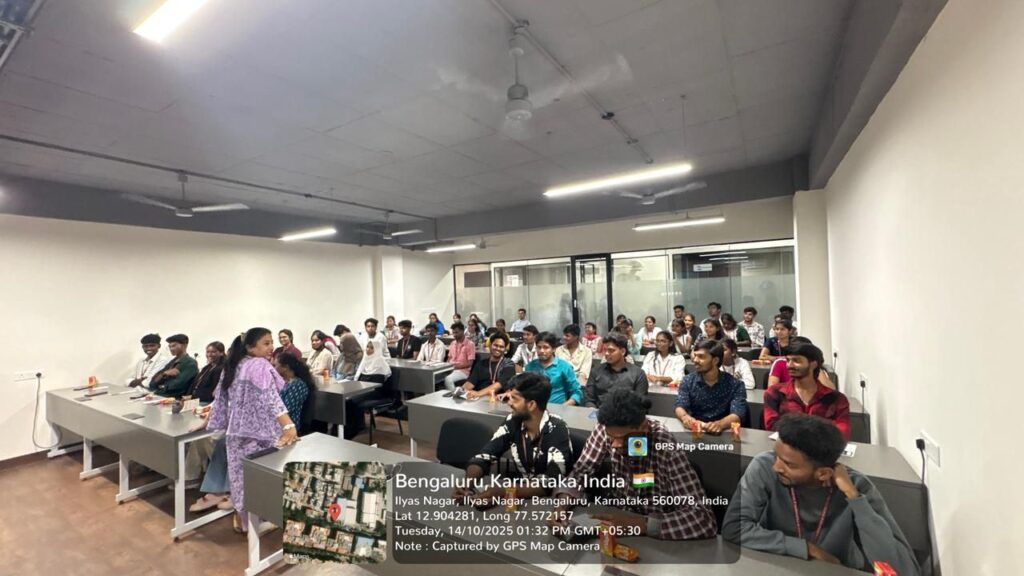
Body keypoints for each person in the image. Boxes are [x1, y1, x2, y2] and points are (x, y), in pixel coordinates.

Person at [722, 414, 919, 575]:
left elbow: (902, 569)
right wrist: (807, 549)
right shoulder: (764, 466)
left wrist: (854, 497)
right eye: (776, 455)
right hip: (775, 563)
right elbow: (734, 528)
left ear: (823, 473)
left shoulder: (857, 486)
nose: (776, 467)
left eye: (789, 464)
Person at [551, 389, 717, 540]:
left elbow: (704, 519)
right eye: (611, 438)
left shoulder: (664, 445)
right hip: (614, 520)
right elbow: (580, 473)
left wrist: (638, 524)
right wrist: (561, 507)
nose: (614, 445)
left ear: (643, 428)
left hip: (653, 533)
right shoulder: (606, 429)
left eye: (622, 438)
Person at [207, 328, 299, 532]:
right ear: (250, 347)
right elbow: (270, 397)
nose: (271, 347)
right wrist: (288, 426)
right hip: (261, 433)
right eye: (266, 343)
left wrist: (215, 423)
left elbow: (220, 399)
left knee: (240, 479)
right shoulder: (258, 365)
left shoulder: (233, 366)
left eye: (271, 342)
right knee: (265, 477)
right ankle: (262, 519)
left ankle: (243, 520)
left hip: (236, 433)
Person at [455, 373, 574, 507]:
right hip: (521, 498)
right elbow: (485, 456)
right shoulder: (513, 421)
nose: (509, 403)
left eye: (515, 399)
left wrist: (503, 492)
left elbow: (551, 481)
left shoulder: (557, 428)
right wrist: (467, 485)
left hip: (552, 504)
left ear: (531, 404)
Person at [764, 342, 850, 438]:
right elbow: (772, 427)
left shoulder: (837, 399)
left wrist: (792, 427)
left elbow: (842, 432)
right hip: (787, 445)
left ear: (813, 364)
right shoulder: (774, 393)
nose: (789, 365)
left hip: (822, 446)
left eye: (796, 361)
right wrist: (822, 428)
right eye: (788, 360)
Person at [675, 340, 747, 433]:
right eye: (695, 355)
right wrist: (685, 418)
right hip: (696, 431)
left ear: (715, 360)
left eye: (701, 357)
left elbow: (738, 413)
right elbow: (680, 405)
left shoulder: (735, 384)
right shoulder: (688, 381)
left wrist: (720, 424)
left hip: (724, 433)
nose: (695, 360)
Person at [585, 332, 647, 408]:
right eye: (605, 350)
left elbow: (640, 404)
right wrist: (593, 411)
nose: (606, 353)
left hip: (627, 414)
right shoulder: (596, 371)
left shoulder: (638, 374)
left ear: (623, 351)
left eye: (611, 350)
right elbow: (589, 400)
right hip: (600, 413)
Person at [524, 332, 582, 406]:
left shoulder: (564, 366)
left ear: (554, 349)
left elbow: (576, 392)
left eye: (546, 347)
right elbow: (524, 390)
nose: (541, 351)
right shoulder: (530, 367)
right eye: (539, 347)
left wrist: (563, 407)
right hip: (534, 408)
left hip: (558, 409)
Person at [766, 336, 835, 390]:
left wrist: (815, 369)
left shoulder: (815, 367)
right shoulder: (780, 363)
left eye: (797, 360)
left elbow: (830, 392)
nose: (790, 365)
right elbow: (772, 388)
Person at [462, 333, 517, 400]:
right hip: (478, 400)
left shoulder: (509, 364)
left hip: (497, 400)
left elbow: (499, 385)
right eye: (495, 345)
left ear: (505, 349)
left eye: (501, 347)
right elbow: (470, 382)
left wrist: (478, 393)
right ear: (490, 345)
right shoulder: (481, 363)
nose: (498, 348)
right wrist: (461, 390)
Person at [273, 352, 316, 435]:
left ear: (285, 367)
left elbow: (285, 410)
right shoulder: (287, 382)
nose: (274, 368)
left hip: (288, 430)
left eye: (275, 365)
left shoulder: (297, 385)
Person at [150, 334, 199, 398]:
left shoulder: (190, 363)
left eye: (174, 346)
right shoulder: (173, 361)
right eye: (169, 347)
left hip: (175, 399)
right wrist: (164, 374)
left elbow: (175, 387)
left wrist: (161, 385)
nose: (171, 349)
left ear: (184, 345)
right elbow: (152, 383)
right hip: (162, 395)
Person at [443, 322, 475, 390]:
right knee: (434, 377)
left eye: (456, 332)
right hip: (451, 369)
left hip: (463, 371)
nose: (454, 335)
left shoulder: (470, 344)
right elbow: (449, 358)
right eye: (453, 333)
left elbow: (470, 363)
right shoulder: (452, 343)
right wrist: (446, 366)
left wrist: (455, 367)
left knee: (448, 379)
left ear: (462, 331)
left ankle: (454, 395)